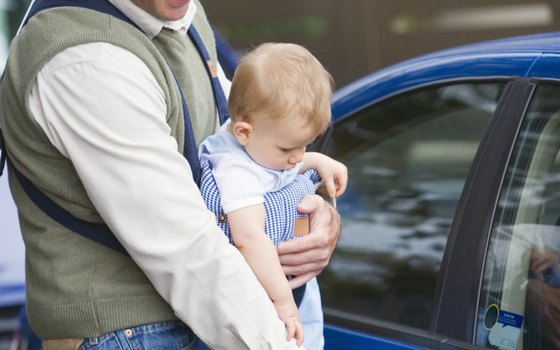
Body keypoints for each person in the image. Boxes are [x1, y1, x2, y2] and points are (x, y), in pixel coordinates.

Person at [0, 0, 341, 349]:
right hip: (129, 334)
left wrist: (316, 214)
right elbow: (185, 248)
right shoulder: (89, 59)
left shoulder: (179, 15)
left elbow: (243, 147)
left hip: (199, 320)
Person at [199, 43, 347, 348]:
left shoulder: (260, 143)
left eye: (305, 146)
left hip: (288, 284)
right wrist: (282, 302)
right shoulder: (233, 170)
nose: (297, 158)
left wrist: (318, 161)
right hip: (266, 291)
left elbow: (277, 168)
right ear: (242, 132)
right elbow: (249, 238)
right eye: (288, 149)